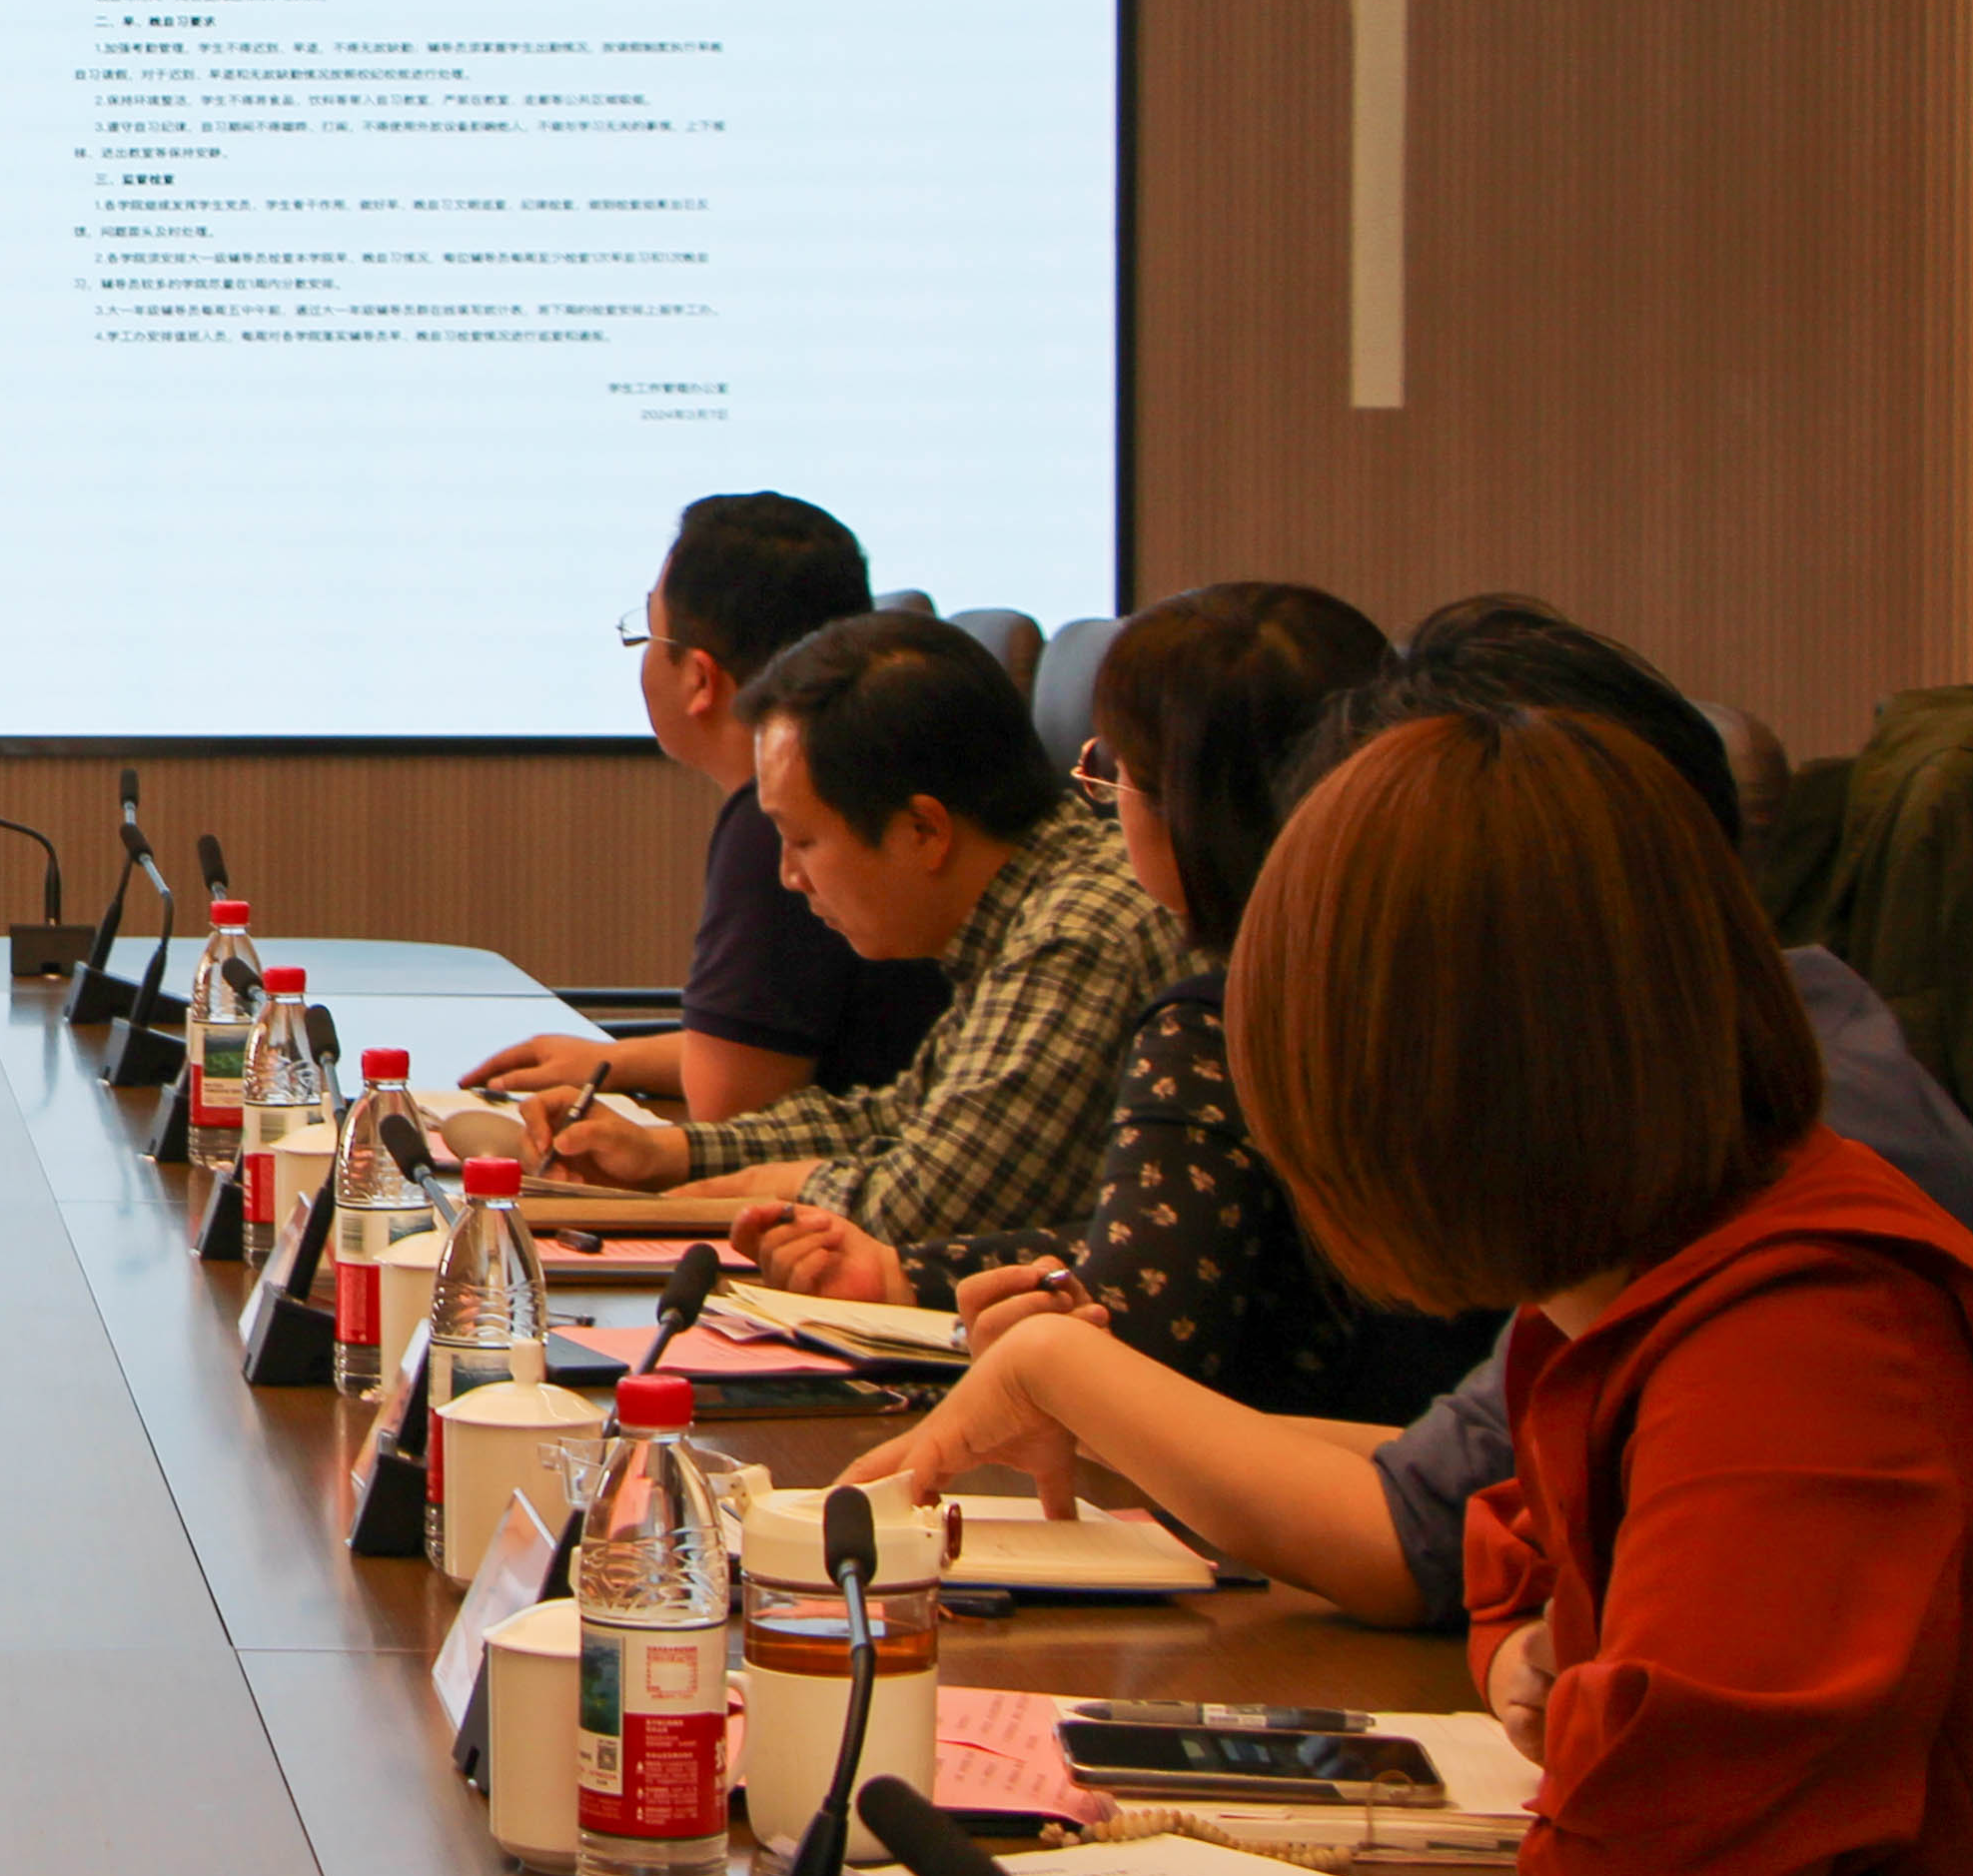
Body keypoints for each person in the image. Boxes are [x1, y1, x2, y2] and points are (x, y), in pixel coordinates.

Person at [845, 591, 1973, 1626]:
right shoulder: (1700, 1103)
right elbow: (1466, 1490)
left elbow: (1428, 1543)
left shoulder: (1774, 1226)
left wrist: (1069, 1370)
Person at [1242, 710, 1973, 1876]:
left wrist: (1575, 1690)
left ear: (1412, 1094)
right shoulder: (1659, 1265)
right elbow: (1510, 1556)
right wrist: (1552, 1665)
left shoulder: (1799, 1334)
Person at [728, 584, 1500, 1422]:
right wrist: (902, 1274)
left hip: (1315, 1473)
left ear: (1191, 809)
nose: (1099, 799)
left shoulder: (1211, 1013)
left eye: (1115, 770)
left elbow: (1135, 1331)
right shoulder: (1415, 977)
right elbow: (1171, 1232)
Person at [538, 611, 1184, 1249]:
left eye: (803, 840)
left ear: (923, 831)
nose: (789, 876)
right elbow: (902, 1117)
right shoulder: (1022, 902)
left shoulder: (1075, 937)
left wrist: (752, 1186)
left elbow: (920, 1206)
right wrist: (667, 1152)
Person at [473, 494, 944, 1122]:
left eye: (646, 634)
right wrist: (610, 1061)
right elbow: (768, 1046)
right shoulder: (868, 779)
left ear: (700, 679)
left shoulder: (774, 827)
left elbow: (731, 1106)